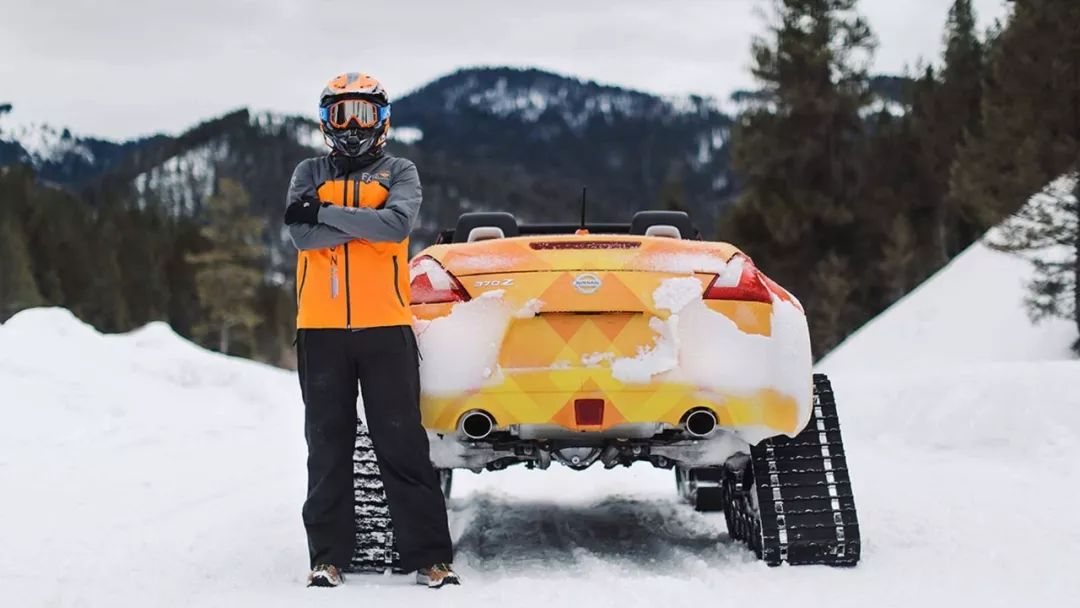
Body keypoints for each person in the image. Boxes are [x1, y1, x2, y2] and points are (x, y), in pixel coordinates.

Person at [283, 72, 458, 589]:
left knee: (402, 444)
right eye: (342, 115)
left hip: (386, 328)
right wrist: (365, 222)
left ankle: (430, 558)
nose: (352, 126)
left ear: (382, 120)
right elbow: (302, 236)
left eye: (363, 113)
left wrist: (325, 213)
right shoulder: (308, 170)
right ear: (326, 122)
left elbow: (396, 227)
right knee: (327, 446)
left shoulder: (400, 170)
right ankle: (327, 558)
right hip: (321, 330)